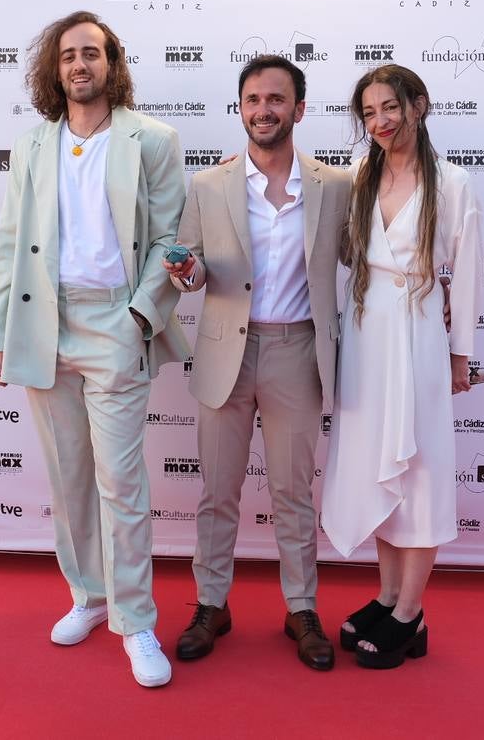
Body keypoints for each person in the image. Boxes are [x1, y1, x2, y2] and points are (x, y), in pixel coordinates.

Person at [0, 11, 190, 688]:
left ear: (111, 63)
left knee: (121, 483)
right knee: (68, 478)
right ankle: (89, 597)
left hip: (115, 324)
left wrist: (138, 315)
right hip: (44, 322)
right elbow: (10, 246)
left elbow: (168, 241)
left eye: (91, 53)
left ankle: (136, 622)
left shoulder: (152, 140)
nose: (80, 65)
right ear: (55, 69)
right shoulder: (31, 147)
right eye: (68, 55)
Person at [162, 55, 350, 671]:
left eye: (275, 99)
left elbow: (370, 257)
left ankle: (301, 608)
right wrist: (186, 272)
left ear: (299, 108)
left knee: (294, 492)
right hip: (225, 353)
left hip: (298, 350)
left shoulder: (336, 186)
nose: (263, 110)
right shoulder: (209, 185)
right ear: (239, 108)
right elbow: (189, 269)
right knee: (218, 492)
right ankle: (211, 603)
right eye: (252, 99)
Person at [320, 63, 483, 669]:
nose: (381, 122)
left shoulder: (453, 185)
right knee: (376, 465)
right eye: (369, 113)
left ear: (420, 104)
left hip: (417, 336)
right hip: (365, 331)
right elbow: (309, 195)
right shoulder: (362, 175)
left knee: (418, 468)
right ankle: (388, 597)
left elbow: (465, 280)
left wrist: (461, 356)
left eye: (390, 107)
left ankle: (411, 615)